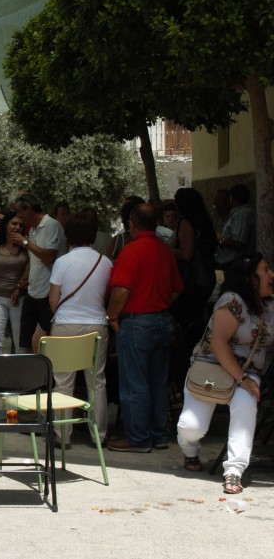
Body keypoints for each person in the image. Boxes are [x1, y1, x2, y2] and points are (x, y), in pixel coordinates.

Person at [177, 253, 273, 495]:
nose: (272, 274)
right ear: (250, 278)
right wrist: (241, 378)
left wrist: (245, 380)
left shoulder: (270, 305)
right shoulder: (232, 301)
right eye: (266, 270)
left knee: (246, 403)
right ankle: (190, 450)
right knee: (191, 427)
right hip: (212, 367)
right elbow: (219, 344)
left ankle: (234, 470)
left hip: (248, 374)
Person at [105, 204, 183, 453]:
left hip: (137, 322)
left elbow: (121, 289)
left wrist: (112, 316)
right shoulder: (165, 250)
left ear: (132, 223)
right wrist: (158, 304)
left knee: (134, 383)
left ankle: (138, 438)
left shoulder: (132, 251)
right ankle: (159, 435)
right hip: (162, 320)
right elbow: (177, 288)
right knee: (158, 382)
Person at [39, 209, 113, 447]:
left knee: (63, 381)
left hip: (66, 325)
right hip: (97, 324)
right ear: (93, 234)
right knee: (97, 381)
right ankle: (99, 436)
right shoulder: (105, 262)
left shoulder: (62, 262)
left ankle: (63, 436)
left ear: (68, 235)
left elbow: (53, 299)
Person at [169, 187, 218, 391]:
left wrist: (167, 250)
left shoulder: (186, 223)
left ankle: (180, 375)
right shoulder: (204, 222)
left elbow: (186, 253)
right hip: (204, 279)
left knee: (185, 332)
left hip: (190, 283)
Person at [16, 193, 66, 354]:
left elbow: (49, 256)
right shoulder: (32, 231)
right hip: (33, 292)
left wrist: (24, 242)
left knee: (45, 342)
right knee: (27, 341)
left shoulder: (52, 225)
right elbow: (34, 259)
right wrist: (24, 279)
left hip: (47, 294)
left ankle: (47, 376)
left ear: (29, 208)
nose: (18, 216)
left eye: (19, 212)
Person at [0, 210, 29, 356]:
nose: (17, 227)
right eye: (14, 223)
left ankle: (21, 377)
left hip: (18, 299)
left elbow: (32, 267)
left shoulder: (27, 245)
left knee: (20, 342)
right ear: (6, 225)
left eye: (21, 225)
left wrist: (19, 287)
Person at [216, 184, 255, 270]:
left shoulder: (241, 215)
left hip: (233, 264)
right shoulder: (241, 213)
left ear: (232, 199)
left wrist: (220, 239)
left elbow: (238, 242)